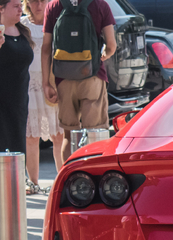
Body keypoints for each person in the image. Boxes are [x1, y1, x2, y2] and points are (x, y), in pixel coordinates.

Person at [42, 0, 116, 162]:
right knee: (95, 134)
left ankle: (68, 180)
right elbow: (111, 45)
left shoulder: (54, 6)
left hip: (64, 78)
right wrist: (104, 55)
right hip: (92, 76)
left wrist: (46, 83)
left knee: (69, 136)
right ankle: (92, 180)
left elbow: (46, 47)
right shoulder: (100, 5)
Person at [22, 0, 64, 192]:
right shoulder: (21, 26)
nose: (39, 4)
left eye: (43, 0)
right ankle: (33, 182)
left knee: (58, 134)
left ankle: (63, 180)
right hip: (29, 84)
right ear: (27, 3)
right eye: (34, 0)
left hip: (52, 83)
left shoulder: (55, 22)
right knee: (31, 136)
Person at [0, 0, 34, 156]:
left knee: (17, 151)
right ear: (0, 8)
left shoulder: (23, 31)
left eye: (20, 6)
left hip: (18, 104)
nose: (20, 9)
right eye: (15, 6)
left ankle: (16, 180)